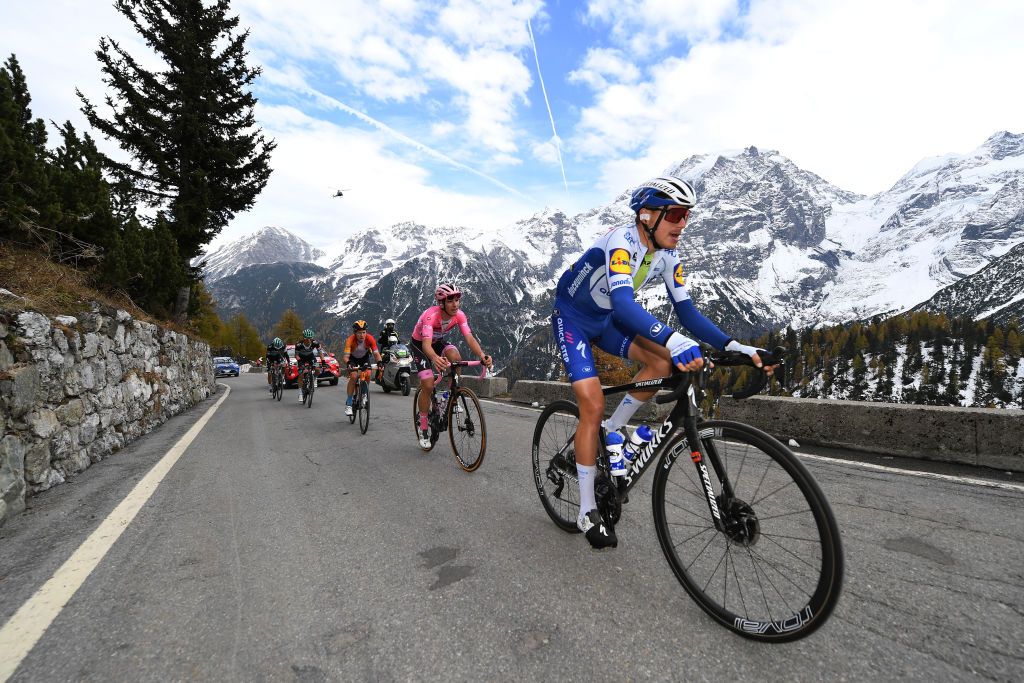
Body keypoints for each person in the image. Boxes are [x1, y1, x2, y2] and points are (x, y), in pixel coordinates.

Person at [552, 175, 774, 550]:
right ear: (647, 216)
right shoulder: (621, 242)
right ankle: (586, 510)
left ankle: (614, 428)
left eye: (686, 215)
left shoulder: (668, 256)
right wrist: (672, 338)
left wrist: (739, 346)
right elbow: (624, 303)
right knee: (591, 403)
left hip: (607, 321)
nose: (683, 224)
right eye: (675, 214)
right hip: (573, 319)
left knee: (662, 363)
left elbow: (686, 311)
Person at [410, 283, 493, 449]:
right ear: (441, 303)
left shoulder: (459, 315)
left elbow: (469, 338)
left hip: (438, 342)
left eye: (457, 300)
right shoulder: (430, 316)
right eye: (450, 301)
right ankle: (424, 424)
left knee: (455, 358)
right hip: (420, 345)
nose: (455, 304)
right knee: (427, 385)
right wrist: (434, 358)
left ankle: (450, 394)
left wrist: (482, 355)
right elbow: (426, 345)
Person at [343, 320, 383, 416]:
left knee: (368, 374)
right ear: (355, 333)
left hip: (364, 358)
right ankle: (349, 403)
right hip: (352, 359)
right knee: (353, 376)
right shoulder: (350, 340)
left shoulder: (370, 339)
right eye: (359, 333)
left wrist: (380, 363)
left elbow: (376, 353)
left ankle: (364, 394)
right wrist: (348, 363)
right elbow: (345, 357)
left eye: (364, 332)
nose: (362, 335)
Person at [293, 329, 321, 403]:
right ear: (304, 338)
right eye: (307, 338)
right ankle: (300, 393)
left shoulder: (315, 343)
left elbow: (320, 352)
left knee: (318, 369)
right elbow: (296, 355)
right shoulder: (299, 344)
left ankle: (314, 379)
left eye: (310, 338)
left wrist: (323, 361)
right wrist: (300, 362)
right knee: (301, 374)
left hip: (311, 357)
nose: (309, 340)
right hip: (301, 359)